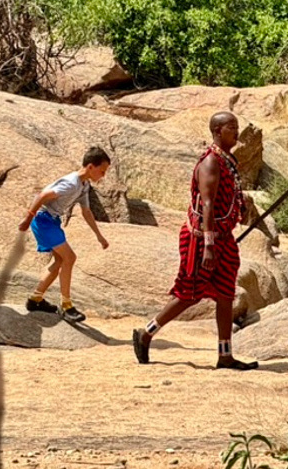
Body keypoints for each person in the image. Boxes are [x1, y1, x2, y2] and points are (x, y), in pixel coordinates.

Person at [132, 111, 258, 370]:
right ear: (216, 130)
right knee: (189, 294)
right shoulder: (211, 162)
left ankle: (225, 355)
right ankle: (146, 333)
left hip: (223, 237)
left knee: (225, 294)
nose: (236, 132)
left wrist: (239, 208)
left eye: (237, 126)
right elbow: (208, 204)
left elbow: (225, 198)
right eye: (231, 127)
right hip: (202, 240)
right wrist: (210, 246)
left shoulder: (228, 161)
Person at [19, 147, 111, 323]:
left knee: (60, 260)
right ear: (91, 167)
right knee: (70, 258)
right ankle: (67, 305)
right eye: (102, 171)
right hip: (43, 219)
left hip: (51, 221)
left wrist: (99, 236)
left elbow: (86, 211)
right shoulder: (71, 183)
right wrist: (27, 218)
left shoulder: (84, 186)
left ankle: (35, 299)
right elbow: (43, 195)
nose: (103, 175)